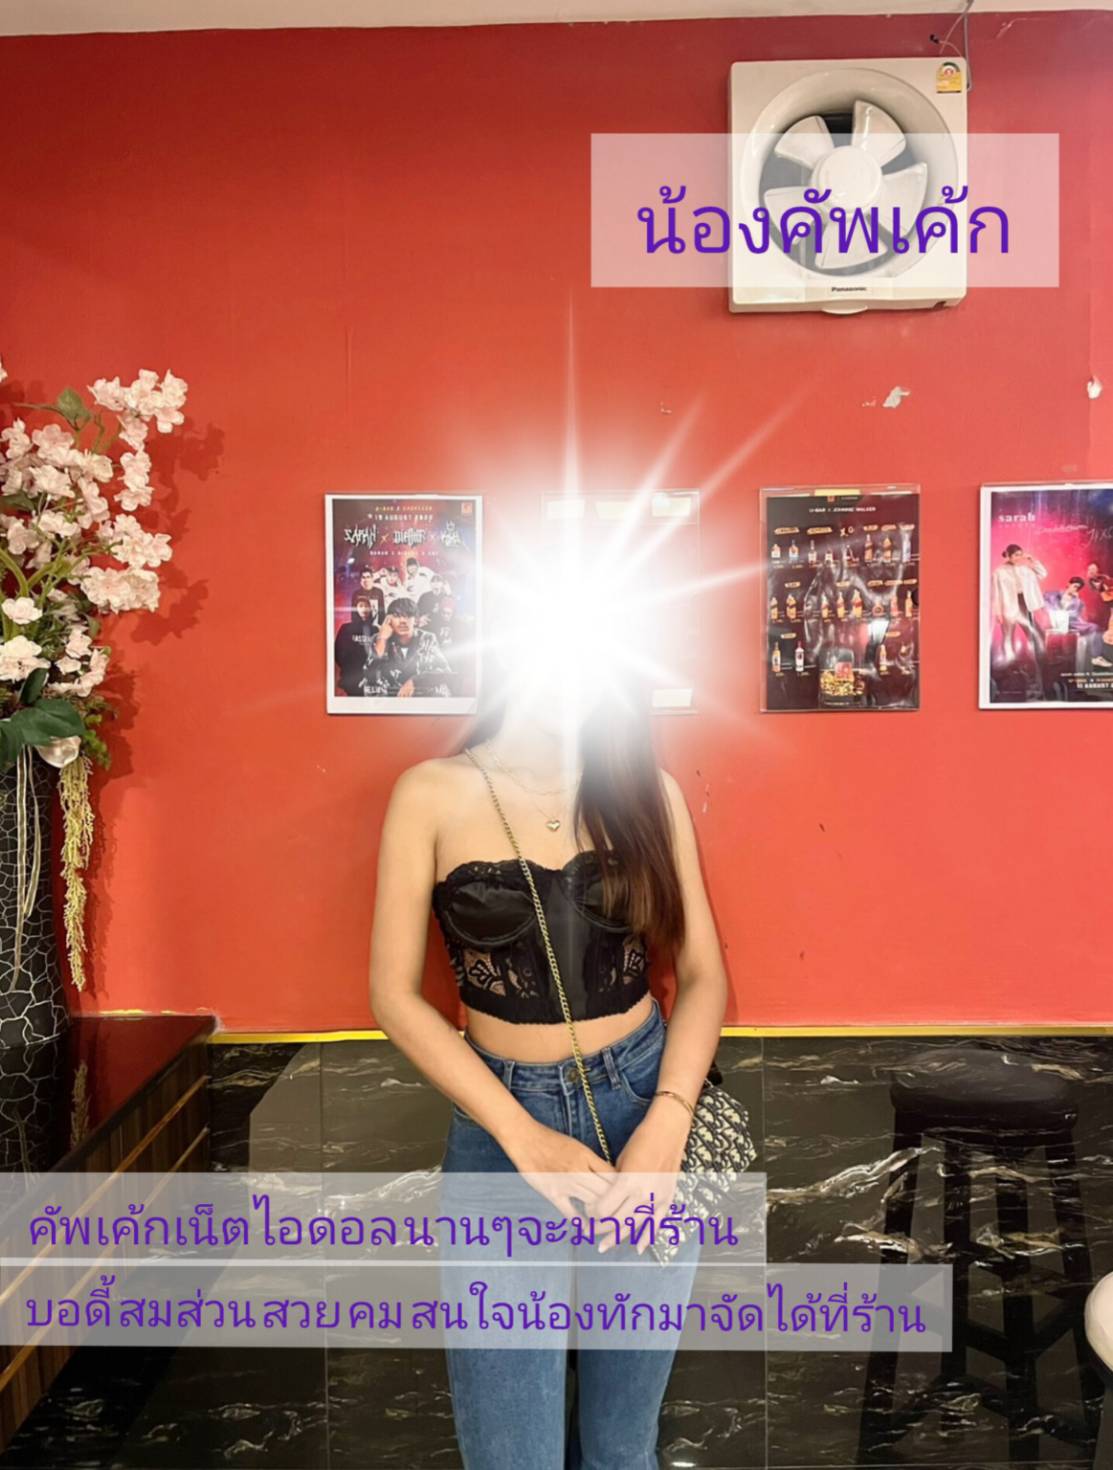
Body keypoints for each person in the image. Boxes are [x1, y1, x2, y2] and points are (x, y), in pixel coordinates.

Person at [369, 642, 728, 1469]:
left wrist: (667, 1126)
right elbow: (392, 995)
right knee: (510, 1453)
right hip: (499, 1119)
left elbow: (703, 975)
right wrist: (522, 1138)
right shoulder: (430, 791)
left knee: (620, 1447)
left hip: (645, 1099)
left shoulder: (647, 793)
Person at [362, 596, 452, 697]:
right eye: (397, 616)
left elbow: (445, 671)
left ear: (416, 620)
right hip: (390, 699)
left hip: (422, 698)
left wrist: (415, 681)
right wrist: (382, 639)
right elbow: (369, 674)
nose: (403, 621)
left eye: (408, 616)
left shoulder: (427, 638)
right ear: (389, 620)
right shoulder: (378, 639)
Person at [991, 542, 1047, 665]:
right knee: (1008, 636)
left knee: (1035, 632)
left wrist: (1033, 561)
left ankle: (1040, 661)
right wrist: (997, 613)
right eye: (1016, 555)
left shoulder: (1025, 569)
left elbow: (1043, 574)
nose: (1019, 557)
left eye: (1021, 554)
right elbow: (995, 595)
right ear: (1009, 556)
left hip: (1024, 604)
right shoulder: (998, 572)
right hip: (1008, 606)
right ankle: (1010, 664)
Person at [333, 593, 380, 697]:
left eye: (366, 606)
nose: (364, 609)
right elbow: (337, 651)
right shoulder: (346, 628)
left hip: (371, 677)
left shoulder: (375, 629)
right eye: (361, 606)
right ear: (355, 608)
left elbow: (380, 653)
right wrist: (349, 668)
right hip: (351, 676)